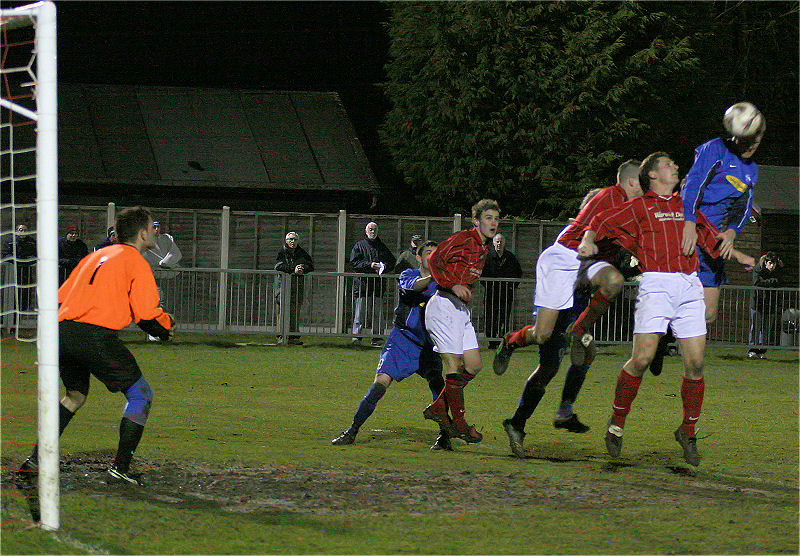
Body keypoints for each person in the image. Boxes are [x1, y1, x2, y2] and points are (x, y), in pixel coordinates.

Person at [578, 152, 754, 467]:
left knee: (696, 364)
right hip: (657, 285)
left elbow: (709, 239)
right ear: (654, 175)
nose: (675, 166)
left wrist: (737, 255)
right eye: (669, 164)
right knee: (642, 358)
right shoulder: (638, 207)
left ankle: (687, 431)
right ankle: (617, 423)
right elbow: (600, 222)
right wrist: (588, 242)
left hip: (689, 284)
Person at [16, 206, 174, 487]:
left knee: (75, 396)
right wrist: (167, 326)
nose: (155, 231)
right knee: (141, 395)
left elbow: (61, 296)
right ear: (140, 234)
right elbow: (147, 317)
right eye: (152, 227)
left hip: (61, 331)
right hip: (94, 336)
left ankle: (35, 461)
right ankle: (120, 469)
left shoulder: (97, 256)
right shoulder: (136, 261)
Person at [493, 160, 643, 378]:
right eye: (645, 181)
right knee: (542, 335)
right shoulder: (613, 198)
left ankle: (579, 331)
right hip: (563, 260)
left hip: (586, 266)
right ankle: (510, 341)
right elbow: (632, 241)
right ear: (632, 181)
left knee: (613, 281)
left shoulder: (629, 209)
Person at [648, 106, 766, 375]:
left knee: (709, 313)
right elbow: (693, 183)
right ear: (735, 134)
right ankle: (666, 343)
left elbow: (744, 206)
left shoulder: (752, 171)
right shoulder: (714, 149)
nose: (750, 146)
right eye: (746, 140)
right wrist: (688, 221)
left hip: (713, 239)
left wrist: (733, 231)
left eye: (755, 141)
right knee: (682, 296)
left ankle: (663, 336)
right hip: (691, 231)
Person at [332, 241, 452, 450]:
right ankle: (353, 429)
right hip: (402, 340)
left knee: (438, 385)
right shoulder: (409, 275)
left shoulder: (444, 283)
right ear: (419, 258)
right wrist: (435, 277)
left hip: (427, 344)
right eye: (428, 253)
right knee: (380, 383)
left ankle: (445, 436)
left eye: (435, 253)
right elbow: (414, 287)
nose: (432, 256)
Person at [421, 199, 500, 444]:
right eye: (488, 218)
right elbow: (434, 260)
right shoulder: (464, 239)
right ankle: (461, 425)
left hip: (460, 310)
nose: (493, 223)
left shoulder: (484, 247)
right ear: (476, 220)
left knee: (474, 365)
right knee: (453, 367)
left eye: (496, 219)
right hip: (443, 306)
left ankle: (438, 406)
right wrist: (452, 284)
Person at [350, 221, 396, 347]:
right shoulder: (359, 245)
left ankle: (377, 338)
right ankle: (356, 337)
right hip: (362, 285)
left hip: (378, 286)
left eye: (375, 229)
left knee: (378, 314)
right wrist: (370, 265)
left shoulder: (382, 246)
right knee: (360, 314)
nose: (372, 231)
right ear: (366, 231)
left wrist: (383, 266)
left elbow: (392, 262)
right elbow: (354, 263)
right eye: (370, 229)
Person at [142, 219, 182, 340]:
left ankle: (164, 331)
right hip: (153, 277)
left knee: (167, 305)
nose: (157, 230)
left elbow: (175, 253)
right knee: (158, 304)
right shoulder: (144, 241)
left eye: (158, 227)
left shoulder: (166, 239)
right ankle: (155, 333)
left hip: (168, 276)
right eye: (154, 227)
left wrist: (165, 263)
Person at [482, 233, 522, 349]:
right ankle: (491, 340)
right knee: (490, 316)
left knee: (503, 317)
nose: (499, 244)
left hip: (506, 294)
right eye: (497, 241)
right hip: (491, 293)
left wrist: (511, 287)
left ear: (504, 243)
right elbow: (481, 273)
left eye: (501, 242)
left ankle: (501, 339)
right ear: (493, 243)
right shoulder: (488, 257)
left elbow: (518, 273)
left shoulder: (510, 257)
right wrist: (488, 285)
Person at [274, 231, 314, 345]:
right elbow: (278, 266)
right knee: (281, 311)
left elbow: (311, 266)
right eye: (290, 239)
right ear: (286, 240)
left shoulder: (301, 252)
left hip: (297, 285)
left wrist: (303, 269)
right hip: (282, 286)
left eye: (295, 239)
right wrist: (293, 269)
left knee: (295, 311)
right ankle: (281, 336)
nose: (292, 241)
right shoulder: (281, 251)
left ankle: (293, 336)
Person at [748, 252, 783, 359]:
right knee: (756, 327)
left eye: (774, 264)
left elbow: (779, 282)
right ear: (766, 262)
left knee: (766, 329)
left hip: (771, 303)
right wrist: (771, 282)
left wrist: (768, 282)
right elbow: (757, 282)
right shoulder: (758, 268)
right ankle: (752, 350)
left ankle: (762, 351)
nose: (772, 266)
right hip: (757, 303)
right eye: (770, 263)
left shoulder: (778, 270)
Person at [1, 223, 37, 316]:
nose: (23, 232)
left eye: (25, 230)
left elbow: (35, 255)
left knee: (25, 294)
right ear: (16, 231)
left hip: (26, 272)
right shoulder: (10, 241)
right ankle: (9, 316)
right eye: (20, 230)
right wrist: (17, 260)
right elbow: (5, 255)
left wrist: (25, 261)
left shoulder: (32, 242)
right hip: (12, 273)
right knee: (11, 294)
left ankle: (21, 313)